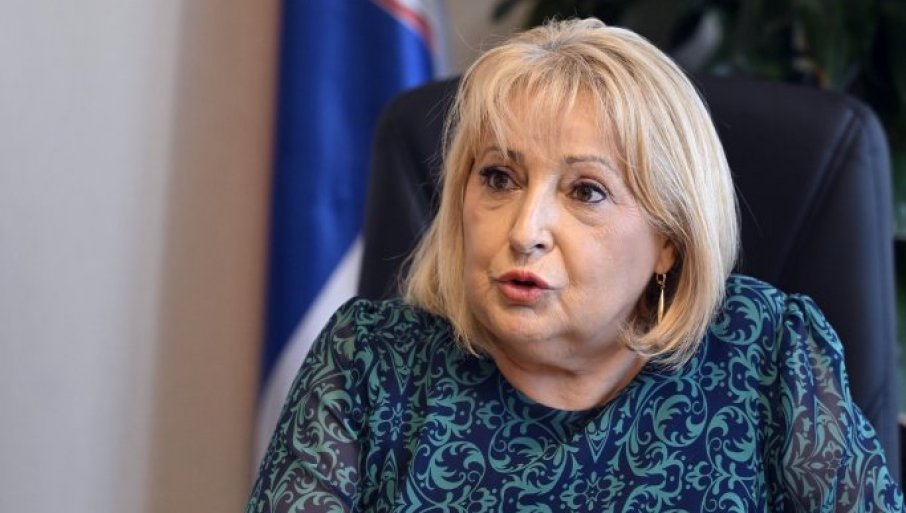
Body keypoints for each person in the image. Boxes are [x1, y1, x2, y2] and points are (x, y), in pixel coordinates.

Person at [246, 18, 904, 512]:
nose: (525, 231)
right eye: (498, 177)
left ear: (669, 239)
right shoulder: (369, 362)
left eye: (586, 191)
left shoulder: (765, 355)